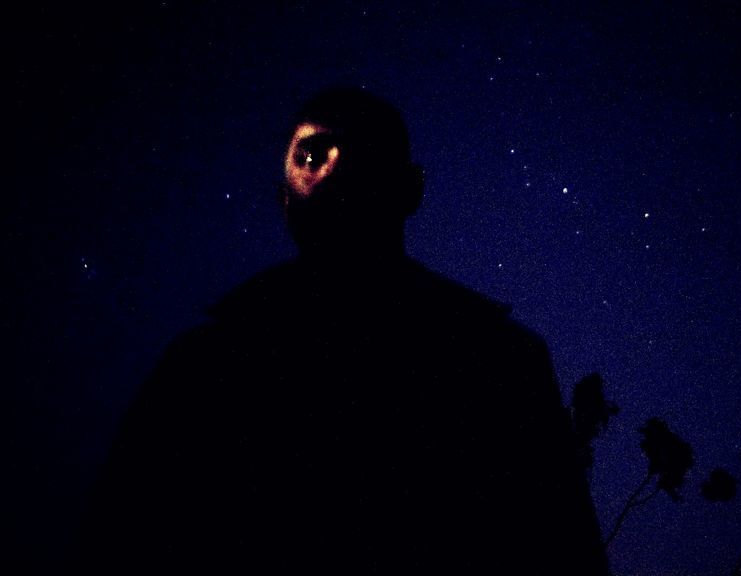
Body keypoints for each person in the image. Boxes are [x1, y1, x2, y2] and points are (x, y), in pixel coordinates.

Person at [78, 87, 610, 574]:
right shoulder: (206, 365)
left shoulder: (495, 363)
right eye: (310, 156)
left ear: (408, 188)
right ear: (283, 194)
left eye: (361, 151)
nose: (333, 170)